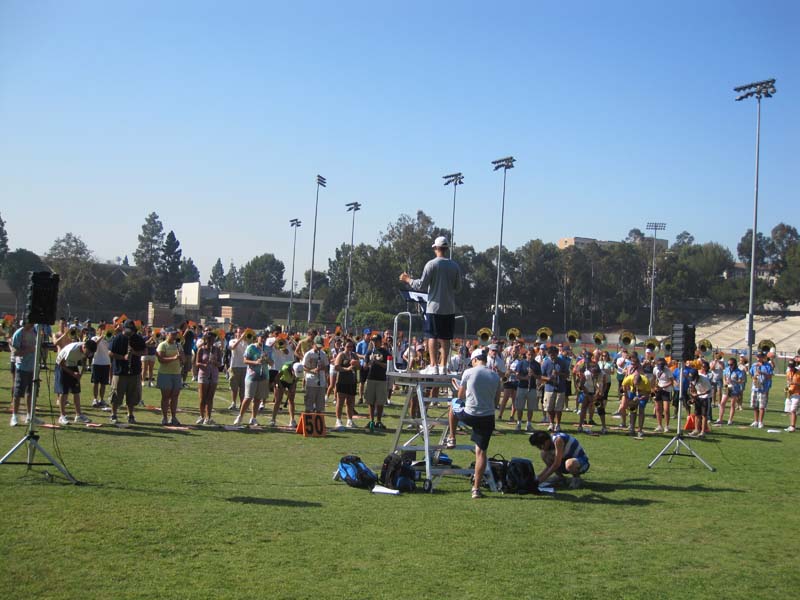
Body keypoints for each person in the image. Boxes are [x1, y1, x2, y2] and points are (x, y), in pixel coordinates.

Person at [399, 236, 462, 374]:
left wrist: (408, 279)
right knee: (446, 338)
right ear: (446, 248)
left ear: (435, 248)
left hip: (434, 307)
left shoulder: (431, 264)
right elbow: (458, 288)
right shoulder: (455, 266)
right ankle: (444, 366)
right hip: (449, 308)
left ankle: (433, 366)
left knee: (432, 336)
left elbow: (421, 285)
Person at [447, 349, 501, 498]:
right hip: (488, 417)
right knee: (481, 453)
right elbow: (496, 401)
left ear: (475, 360)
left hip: (471, 414)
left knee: (453, 404)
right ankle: (476, 489)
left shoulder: (469, 372)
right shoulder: (495, 376)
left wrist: (459, 389)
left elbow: (460, 396)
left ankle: (452, 437)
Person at [108, 320, 146, 424]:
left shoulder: (137, 338)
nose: (131, 333)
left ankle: (130, 415)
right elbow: (110, 353)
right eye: (129, 330)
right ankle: (113, 414)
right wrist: (122, 357)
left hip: (134, 372)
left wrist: (135, 352)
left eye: (133, 330)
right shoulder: (118, 338)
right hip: (120, 371)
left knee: (132, 395)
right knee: (116, 395)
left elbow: (144, 351)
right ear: (124, 329)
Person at [54, 338, 97, 425]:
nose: (89, 354)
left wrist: (80, 373)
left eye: (91, 353)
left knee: (76, 391)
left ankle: (78, 415)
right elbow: (62, 364)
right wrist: (73, 374)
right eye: (88, 352)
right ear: (84, 347)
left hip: (73, 365)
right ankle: (62, 416)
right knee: (64, 392)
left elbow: (84, 360)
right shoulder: (72, 350)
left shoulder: (87, 350)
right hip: (62, 366)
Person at [235, 330, 272, 427]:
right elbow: (245, 360)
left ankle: (253, 418)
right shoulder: (251, 347)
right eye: (261, 337)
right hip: (251, 375)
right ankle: (240, 416)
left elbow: (272, 363)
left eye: (265, 338)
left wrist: (267, 358)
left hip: (263, 375)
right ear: (258, 337)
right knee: (248, 397)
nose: (263, 339)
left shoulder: (268, 349)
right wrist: (255, 362)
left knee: (258, 398)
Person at [9, 321, 41, 426]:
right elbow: (15, 352)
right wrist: (29, 350)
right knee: (18, 393)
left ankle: (30, 416)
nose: (33, 324)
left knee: (31, 393)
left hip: (34, 367)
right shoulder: (19, 333)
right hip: (22, 367)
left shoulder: (35, 331)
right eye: (31, 322)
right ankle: (14, 416)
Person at [156, 327, 184, 426]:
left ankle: (173, 417)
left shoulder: (178, 345)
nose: (174, 336)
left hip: (176, 373)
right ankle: (164, 417)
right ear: (167, 334)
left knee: (175, 396)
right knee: (166, 397)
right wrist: (174, 358)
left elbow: (183, 360)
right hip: (165, 373)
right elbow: (161, 360)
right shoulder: (162, 345)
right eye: (172, 334)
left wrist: (181, 357)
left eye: (175, 334)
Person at [195, 330, 222, 425]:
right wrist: (204, 364)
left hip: (213, 375)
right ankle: (201, 416)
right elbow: (197, 363)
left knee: (210, 398)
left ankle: (208, 417)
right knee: (203, 398)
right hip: (203, 375)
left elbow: (220, 364)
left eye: (213, 339)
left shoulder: (217, 350)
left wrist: (215, 362)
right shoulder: (201, 349)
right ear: (206, 339)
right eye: (210, 339)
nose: (211, 341)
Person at [333, 339, 359, 430]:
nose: (349, 348)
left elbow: (359, 367)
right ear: (344, 346)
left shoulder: (354, 355)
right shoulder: (341, 355)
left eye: (351, 347)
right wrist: (347, 369)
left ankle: (350, 420)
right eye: (348, 346)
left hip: (352, 381)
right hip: (342, 381)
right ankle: (338, 420)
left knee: (350, 402)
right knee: (340, 402)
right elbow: (336, 367)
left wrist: (357, 364)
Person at [302, 335, 329, 414]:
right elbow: (303, 367)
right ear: (313, 344)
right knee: (309, 406)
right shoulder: (308, 354)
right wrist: (312, 370)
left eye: (320, 346)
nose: (319, 348)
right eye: (317, 346)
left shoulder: (323, 354)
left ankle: (318, 425)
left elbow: (327, 368)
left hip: (321, 382)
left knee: (320, 407)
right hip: (311, 381)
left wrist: (322, 367)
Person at [541, 346, 564, 432]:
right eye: (551, 354)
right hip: (549, 388)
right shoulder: (546, 363)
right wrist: (548, 379)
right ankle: (551, 423)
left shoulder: (562, 362)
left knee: (558, 408)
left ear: (557, 354)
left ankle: (558, 425)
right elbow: (541, 376)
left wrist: (559, 373)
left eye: (554, 354)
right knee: (549, 408)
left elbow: (566, 374)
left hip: (560, 388)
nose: (552, 356)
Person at [620, 371, 650, 438]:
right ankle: (632, 429)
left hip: (643, 393)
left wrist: (639, 398)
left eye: (638, 384)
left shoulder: (646, 381)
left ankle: (640, 430)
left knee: (641, 410)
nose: (636, 385)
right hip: (633, 393)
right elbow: (623, 385)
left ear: (640, 381)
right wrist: (626, 395)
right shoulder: (629, 378)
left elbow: (648, 393)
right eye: (635, 383)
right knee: (632, 410)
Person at [90, 327, 113, 408]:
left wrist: (106, 337)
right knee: (95, 382)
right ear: (98, 330)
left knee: (103, 383)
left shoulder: (108, 339)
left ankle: (101, 399)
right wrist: (101, 337)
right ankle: (95, 399)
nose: (103, 331)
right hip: (96, 363)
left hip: (106, 363)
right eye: (101, 329)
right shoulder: (94, 338)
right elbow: (93, 346)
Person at [749, 352, 773, 429]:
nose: (758, 359)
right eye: (758, 357)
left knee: (761, 406)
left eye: (760, 357)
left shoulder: (768, 366)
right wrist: (754, 376)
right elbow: (751, 374)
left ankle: (760, 422)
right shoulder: (754, 365)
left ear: (763, 358)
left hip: (763, 388)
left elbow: (770, 376)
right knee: (754, 405)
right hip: (755, 387)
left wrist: (762, 372)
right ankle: (756, 421)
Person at [227, 327, 248, 411]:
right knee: (234, 387)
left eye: (242, 332)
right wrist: (240, 339)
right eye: (239, 332)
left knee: (243, 388)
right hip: (234, 366)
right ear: (236, 333)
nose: (240, 334)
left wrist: (246, 340)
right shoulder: (232, 341)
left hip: (245, 367)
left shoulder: (247, 342)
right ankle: (233, 403)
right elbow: (232, 347)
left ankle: (242, 404)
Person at [688, 368, 712, 438]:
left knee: (704, 415)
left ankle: (703, 431)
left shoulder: (704, 379)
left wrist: (698, 395)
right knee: (697, 414)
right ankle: (696, 429)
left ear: (697, 376)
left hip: (706, 397)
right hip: (698, 396)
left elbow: (709, 391)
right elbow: (692, 388)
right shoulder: (692, 379)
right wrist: (693, 398)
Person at [784, 360, 800, 432]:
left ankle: (793, 426)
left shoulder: (799, 373)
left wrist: (794, 383)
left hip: (797, 393)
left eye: (792, 367)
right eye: (790, 367)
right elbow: (788, 382)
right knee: (790, 410)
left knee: (793, 410)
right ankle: (791, 425)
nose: (791, 368)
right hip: (790, 393)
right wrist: (787, 388)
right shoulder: (788, 373)